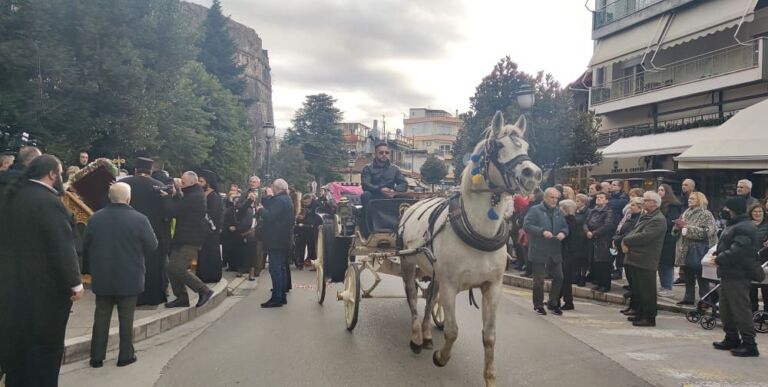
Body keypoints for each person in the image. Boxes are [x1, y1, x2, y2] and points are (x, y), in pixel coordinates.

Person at [0, 155, 84, 386]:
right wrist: (75, 283)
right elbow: (61, 246)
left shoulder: (11, 196)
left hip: (11, 286)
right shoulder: (49, 202)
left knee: (17, 350)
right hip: (43, 292)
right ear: (52, 174)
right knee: (44, 351)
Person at [83, 183, 157, 368]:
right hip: (129, 275)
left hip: (103, 276)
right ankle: (125, 355)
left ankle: (96, 357)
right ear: (128, 198)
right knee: (126, 317)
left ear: (109, 197)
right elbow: (153, 245)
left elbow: (86, 244)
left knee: (101, 316)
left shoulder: (95, 219)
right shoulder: (140, 219)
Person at [710, 197, 760, 357]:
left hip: (738, 274)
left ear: (733, 209)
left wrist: (719, 258)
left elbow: (739, 250)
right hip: (728, 272)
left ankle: (749, 344)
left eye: (726, 208)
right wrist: (718, 253)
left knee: (740, 309)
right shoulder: (734, 224)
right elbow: (728, 245)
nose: (724, 210)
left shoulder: (745, 227)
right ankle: (731, 338)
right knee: (726, 308)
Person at [121, 157, 171, 306]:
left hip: (127, 233)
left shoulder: (123, 184)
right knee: (153, 265)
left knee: (130, 264)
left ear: (135, 170)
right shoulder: (160, 186)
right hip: (154, 232)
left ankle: (129, 297)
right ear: (150, 171)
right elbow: (167, 211)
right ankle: (152, 297)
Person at [163, 171, 214, 308]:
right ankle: (181, 297)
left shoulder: (194, 196)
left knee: (178, 268)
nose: (181, 183)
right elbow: (181, 208)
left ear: (192, 182)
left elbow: (174, 210)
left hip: (190, 238)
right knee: (170, 268)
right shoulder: (192, 194)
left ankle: (204, 290)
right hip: (183, 237)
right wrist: (176, 194)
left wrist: (167, 197)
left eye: (183, 182)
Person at [622, 191, 668, 327]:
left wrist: (626, 240)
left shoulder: (658, 219)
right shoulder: (646, 216)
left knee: (647, 290)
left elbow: (645, 236)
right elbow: (634, 231)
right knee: (638, 289)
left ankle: (649, 317)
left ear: (654, 203)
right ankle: (640, 313)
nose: (643, 202)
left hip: (646, 258)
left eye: (646, 200)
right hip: (636, 257)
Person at [523, 187, 568, 316]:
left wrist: (563, 233)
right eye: (552, 197)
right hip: (539, 249)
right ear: (545, 197)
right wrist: (542, 232)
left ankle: (553, 303)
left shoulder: (558, 211)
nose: (554, 200)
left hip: (554, 249)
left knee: (559, 277)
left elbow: (565, 226)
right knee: (539, 280)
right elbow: (527, 225)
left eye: (556, 198)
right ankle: (538, 304)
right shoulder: (535, 210)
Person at [671, 192, 717, 306]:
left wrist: (688, 228)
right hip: (685, 250)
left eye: (692, 199)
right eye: (689, 198)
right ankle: (688, 298)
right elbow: (676, 232)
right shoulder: (686, 212)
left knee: (702, 277)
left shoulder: (706, 214)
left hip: (699, 250)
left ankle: (705, 300)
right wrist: (677, 227)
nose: (689, 200)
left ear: (700, 200)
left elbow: (708, 232)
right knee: (688, 275)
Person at [257, 178, 295, 308]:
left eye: (273, 186)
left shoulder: (280, 200)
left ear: (277, 188)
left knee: (276, 269)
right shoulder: (286, 199)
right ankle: (281, 296)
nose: (271, 188)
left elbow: (270, 216)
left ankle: (277, 297)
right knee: (282, 268)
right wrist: (267, 198)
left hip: (276, 239)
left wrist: (260, 209)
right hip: (283, 239)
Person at [360, 142, 407, 236]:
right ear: (375, 154)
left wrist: (395, 191)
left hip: (390, 196)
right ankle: (369, 231)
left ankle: (402, 228)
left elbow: (404, 183)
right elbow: (366, 184)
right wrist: (380, 189)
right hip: (374, 196)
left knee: (408, 199)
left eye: (386, 152)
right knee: (365, 195)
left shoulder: (395, 169)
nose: (384, 155)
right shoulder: (367, 168)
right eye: (381, 153)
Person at [614, 197, 643, 316]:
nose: (631, 207)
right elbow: (621, 230)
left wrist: (620, 240)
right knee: (631, 281)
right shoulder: (630, 217)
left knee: (635, 283)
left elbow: (631, 233)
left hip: (632, 250)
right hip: (623, 247)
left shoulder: (639, 219)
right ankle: (631, 306)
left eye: (633, 205)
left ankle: (635, 307)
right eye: (631, 205)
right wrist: (615, 239)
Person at [196, 170, 224, 283]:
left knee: (210, 253)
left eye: (201, 181)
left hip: (211, 231)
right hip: (203, 230)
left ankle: (211, 275)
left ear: (208, 183)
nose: (199, 183)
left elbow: (213, 215)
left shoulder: (213, 196)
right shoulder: (203, 195)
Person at [559, 199, 587, 310]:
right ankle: (555, 299)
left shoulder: (569, 222)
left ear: (565, 209)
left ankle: (568, 302)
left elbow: (571, 239)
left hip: (569, 253)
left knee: (565, 279)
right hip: (571, 252)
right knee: (562, 278)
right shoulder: (576, 220)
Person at [584, 192, 614, 292]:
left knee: (604, 263)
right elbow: (585, 223)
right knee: (595, 263)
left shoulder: (609, 212)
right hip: (592, 239)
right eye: (597, 197)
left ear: (606, 200)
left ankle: (605, 284)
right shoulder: (593, 211)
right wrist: (587, 231)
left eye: (601, 197)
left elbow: (607, 225)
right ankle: (598, 282)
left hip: (603, 241)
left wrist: (594, 232)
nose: (598, 199)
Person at [657, 184, 683, 298]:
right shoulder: (659, 205)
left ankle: (667, 287)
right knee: (660, 264)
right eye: (658, 190)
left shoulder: (673, 205)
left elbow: (671, 221)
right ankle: (663, 285)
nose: (660, 192)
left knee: (666, 264)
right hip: (659, 238)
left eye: (662, 190)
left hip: (668, 238)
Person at [237, 176, 265, 280]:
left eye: (254, 182)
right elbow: (239, 207)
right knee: (242, 248)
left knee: (254, 248)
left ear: (258, 183)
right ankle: (242, 267)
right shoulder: (244, 193)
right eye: (251, 182)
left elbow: (266, 208)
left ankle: (252, 270)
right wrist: (248, 201)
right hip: (245, 223)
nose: (252, 183)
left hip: (257, 223)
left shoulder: (263, 194)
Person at [748, 203, 768, 312]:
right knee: (751, 288)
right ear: (750, 213)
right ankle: (753, 311)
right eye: (755, 211)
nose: (758, 214)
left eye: (760, 211)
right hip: (750, 259)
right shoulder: (746, 225)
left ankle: (766, 313)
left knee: (766, 288)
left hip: (765, 259)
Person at [295, 193, 320, 270]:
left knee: (311, 247)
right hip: (302, 229)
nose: (305, 204)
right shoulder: (302, 206)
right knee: (301, 246)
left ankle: (312, 262)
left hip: (311, 229)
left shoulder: (316, 206)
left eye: (307, 203)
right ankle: (301, 263)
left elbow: (316, 217)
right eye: (304, 203)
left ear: (311, 200)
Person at [222, 184, 243, 272]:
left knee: (235, 247)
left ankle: (234, 265)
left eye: (235, 190)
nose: (233, 192)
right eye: (231, 190)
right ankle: (226, 262)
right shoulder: (225, 200)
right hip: (226, 227)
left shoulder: (239, 201)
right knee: (226, 246)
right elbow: (224, 212)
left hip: (236, 228)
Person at [573, 194, 591, 286]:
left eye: (577, 201)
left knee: (583, 259)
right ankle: (576, 275)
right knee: (576, 258)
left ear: (583, 202)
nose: (576, 203)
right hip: (575, 238)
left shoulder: (588, 212)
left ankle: (582, 277)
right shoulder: (575, 211)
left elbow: (586, 223)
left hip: (583, 239)